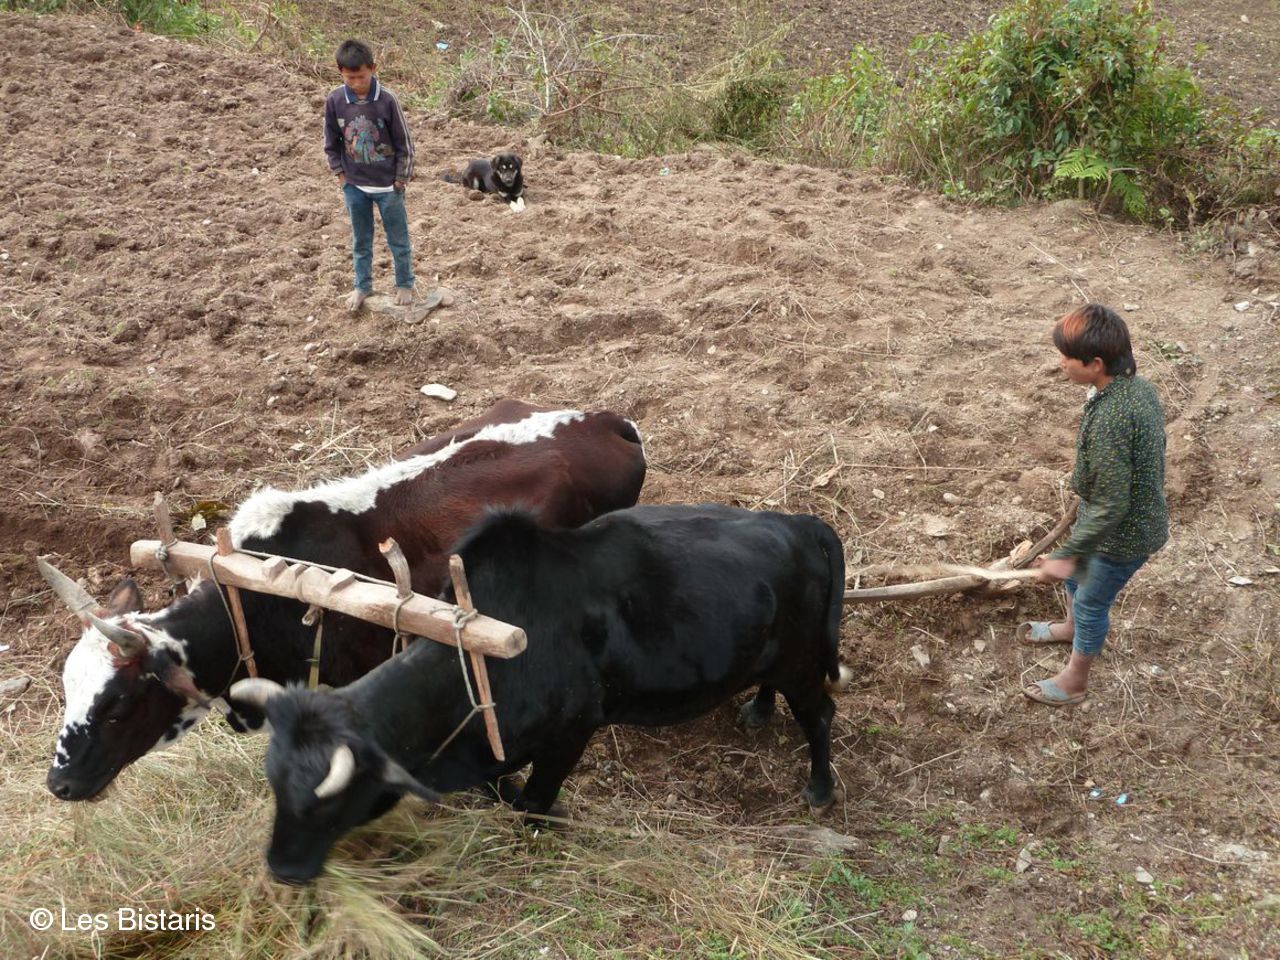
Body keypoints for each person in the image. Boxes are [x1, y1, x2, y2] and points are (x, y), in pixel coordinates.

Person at [1021, 303, 1169, 706]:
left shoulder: (1112, 419)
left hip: (1122, 535)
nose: (1061, 364)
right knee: (1075, 580)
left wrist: (1066, 554)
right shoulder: (1136, 388)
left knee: (1090, 601)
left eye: (1067, 358)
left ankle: (1075, 680)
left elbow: (1112, 505)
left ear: (1096, 364)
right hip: (1110, 518)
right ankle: (1070, 628)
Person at [324, 39, 416, 313]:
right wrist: (341, 175)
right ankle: (362, 285)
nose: (356, 83)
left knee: (398, 239)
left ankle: (405, 283)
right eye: (350, 78)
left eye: (361, 77)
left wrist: (401, 179)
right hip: (355, 185)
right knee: (361, 240)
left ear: (373, 69)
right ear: (340, 72)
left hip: (388, 186)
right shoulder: (336, 100)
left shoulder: (387, 100)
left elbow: (405, 143)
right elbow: (331, 141)